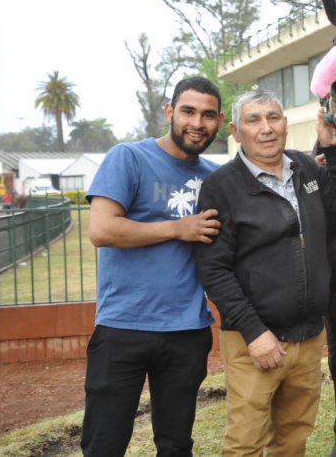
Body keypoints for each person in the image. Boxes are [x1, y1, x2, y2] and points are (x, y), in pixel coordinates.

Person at [194, 90, 336, 457]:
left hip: (307, 337)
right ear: (237, 132)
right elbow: (214, 269)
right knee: (245, 445)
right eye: (254, 120)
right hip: (256, 342)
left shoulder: (306, 169)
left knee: (292, 440)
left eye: (274, 117)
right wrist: (255, 334)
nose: (266, 128)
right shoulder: (221, 187)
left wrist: (334, 152)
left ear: (286, 123)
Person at [81, 77, 225, 456]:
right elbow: (101, 228)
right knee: (104, 444)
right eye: (188, 111)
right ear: (169, 112)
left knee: (176, 445)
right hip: (123, 326)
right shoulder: (128, 157)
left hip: (188, 331)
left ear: (220, 122)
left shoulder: (214, 177)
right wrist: (178, 228)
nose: (198, 122)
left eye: (208, 115)